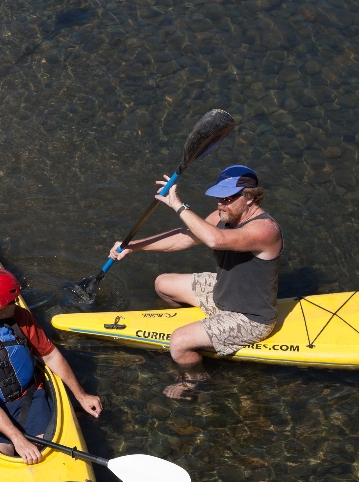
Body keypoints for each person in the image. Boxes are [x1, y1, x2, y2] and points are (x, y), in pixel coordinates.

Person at [107, 165, 283, 400]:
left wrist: (178, 204)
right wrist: (134, 246)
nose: (221, 203)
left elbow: (214, 240)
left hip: (250, 317)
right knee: (163, 284)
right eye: (219, 197)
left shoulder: (266, 230)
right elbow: (184, 236)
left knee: (178, 343)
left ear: (249, 197)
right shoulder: (224, 216)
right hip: (222, 293)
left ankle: (196, 378)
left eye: (228, 198)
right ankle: (203, 336)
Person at [0, 268, 102, 464]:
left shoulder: (20, 318)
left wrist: (81, 395)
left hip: (29, 397)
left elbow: (50, 356)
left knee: (47, 448)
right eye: (11, 301)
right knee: (2, 454)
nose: (16, 304)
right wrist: (17, 439)